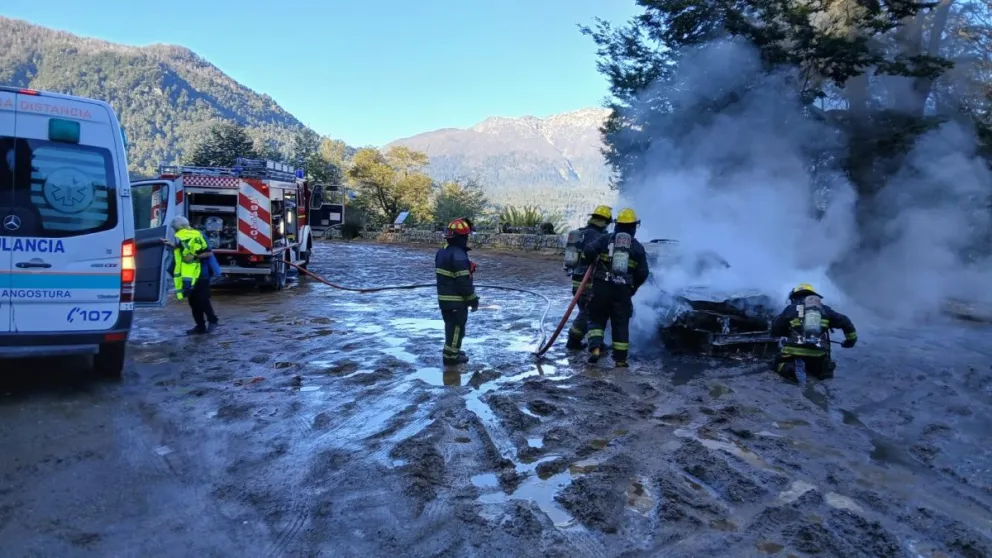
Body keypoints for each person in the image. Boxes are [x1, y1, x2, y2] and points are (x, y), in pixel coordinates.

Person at [582, 208, 650, 367]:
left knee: (597, 318)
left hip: (601, 287)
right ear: (633, 227)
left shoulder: (604, 239)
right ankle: (620, 360)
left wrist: (595, 258)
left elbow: (587, 252)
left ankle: (595, 349)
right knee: (620, 323)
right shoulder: (637, 247)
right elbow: (644, 273)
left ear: (617, 225)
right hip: (622, 291)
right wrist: (633, 287)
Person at [770, 283, 857, 381]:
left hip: (793, 354)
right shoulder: (825, 310)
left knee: (774, 363)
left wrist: (787, 333)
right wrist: (850, 341)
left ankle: (788, 369)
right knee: (823, 368)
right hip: (817, 356)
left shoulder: (791, 309)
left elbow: (776, 328)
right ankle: (823, 372)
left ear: (794, 297)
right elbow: (845, 321)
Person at [564, 205, 613, 350]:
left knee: (589, 313)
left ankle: (595, 342)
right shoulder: (598, 237)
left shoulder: (581, 233)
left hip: (576, 281)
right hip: (589, 282)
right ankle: (573, 342)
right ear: (605, 221)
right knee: (588, 313)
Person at [163, 216, 219, 335]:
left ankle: (213, 320)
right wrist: (172, 245)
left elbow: (208, 252)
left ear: (182, 227)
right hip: (188, 274)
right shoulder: (181, 237)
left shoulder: (199, 235)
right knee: (193, 301)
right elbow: (184, 250)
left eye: (176, 229)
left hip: (201, 274)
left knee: (203, 300)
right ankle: (200, 326)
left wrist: (194, 257)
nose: (176, 232)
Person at [435, 217, 479, 365]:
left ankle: (453, 350)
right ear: (462, 237)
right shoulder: (459, 255)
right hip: (456, 301)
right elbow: (463, 283)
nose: (467, 239)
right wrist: (473, 299)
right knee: (456, 328)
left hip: (445, 300)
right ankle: (451, 357)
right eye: (466, 236)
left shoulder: (443, 252)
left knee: (451, 326)